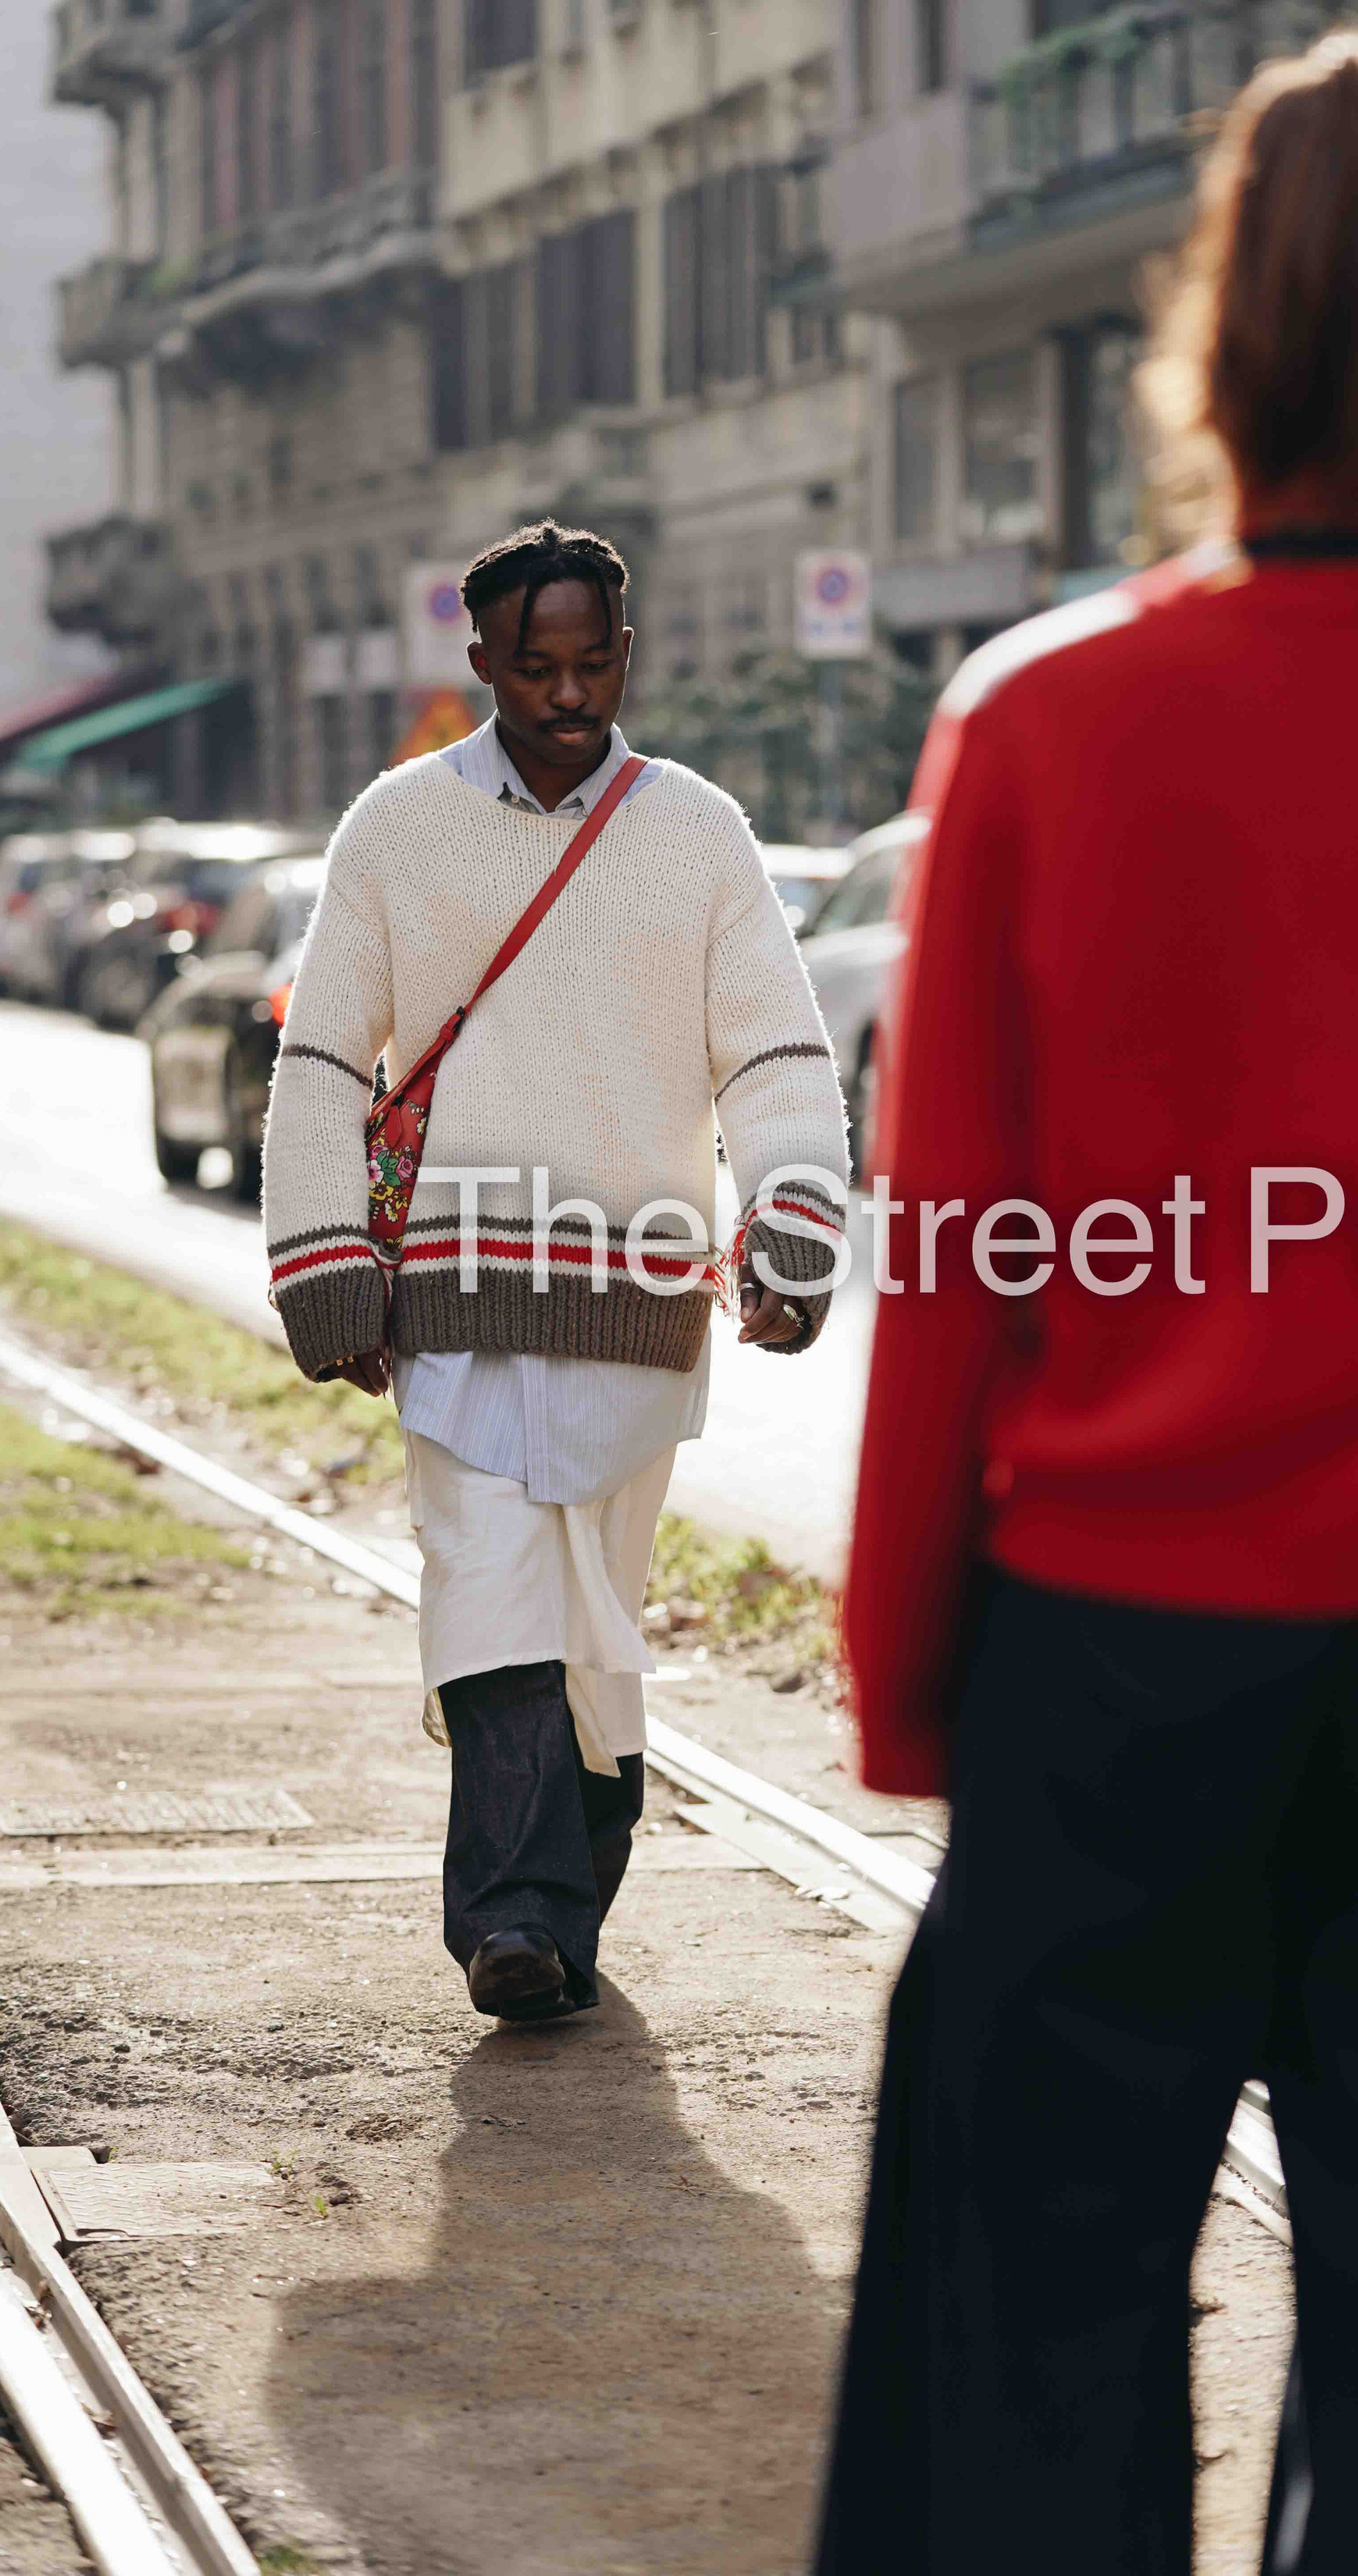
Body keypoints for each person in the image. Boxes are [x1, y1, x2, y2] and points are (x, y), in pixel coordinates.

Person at [816, 29, 1358, 2575]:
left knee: (1020, 2360)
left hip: (1109, 1691)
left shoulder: (1041, 718)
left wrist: (917, 1687)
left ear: (1200, 339)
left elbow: (957, 1266)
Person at [262, 519, 847, 2028]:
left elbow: (775, 1054)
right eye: (537, 667)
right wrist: (321, 1253)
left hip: (638, 1303)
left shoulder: (698, 831)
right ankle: (515, 1917)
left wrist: (792, 1224)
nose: (569, 694)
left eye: (593, 664)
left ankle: (571, 1877)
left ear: (628, 659)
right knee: (487, 1583)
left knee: (595, 1614)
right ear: (482, 666)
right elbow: (323, 1053)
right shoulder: (393, 831)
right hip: (452, 1293)